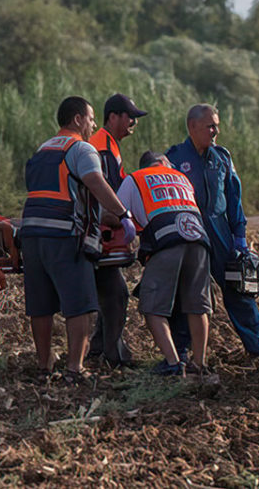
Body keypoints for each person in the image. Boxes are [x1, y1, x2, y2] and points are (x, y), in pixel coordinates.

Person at [20, 96, 134, 384]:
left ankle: (45, 365)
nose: (93, 124)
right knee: (80, 304)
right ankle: (75, 369)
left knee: (41, 306)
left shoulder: (43, 148)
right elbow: (95, 183)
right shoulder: (81, 149)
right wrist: (123, 214)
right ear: (77, 119)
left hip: (32, 234)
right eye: (91, 118)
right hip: (65, 235)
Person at [166, 104, 259, 358]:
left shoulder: (222, 157)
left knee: (239, 289)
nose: (215, 131)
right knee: (187, 294)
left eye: (217, 125)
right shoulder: (174, 158)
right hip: (190, 233)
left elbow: (234, 198)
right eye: (210, 126)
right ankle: (181, 353)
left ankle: (257, 349)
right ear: (192, 127)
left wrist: (240, 238)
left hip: (221, 232)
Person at [117, 151, 212, 376]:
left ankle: (172, 363)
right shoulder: (181, 177)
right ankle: (199, 363)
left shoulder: (136, 178)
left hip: (166, 240)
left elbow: (115, 209)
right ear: (164, 164)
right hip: (199, 240)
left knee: (152, 306)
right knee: (197, 305)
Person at [86, 93, 148, 368]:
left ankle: (100, 348)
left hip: (102, 230)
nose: (133, 122)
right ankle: (114, 354)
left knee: (111, 293)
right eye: (129, 116)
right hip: (97, 232)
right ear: (112, 117)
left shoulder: (110, 145)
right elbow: (101, 192)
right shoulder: (101, 147)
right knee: (115, 293)